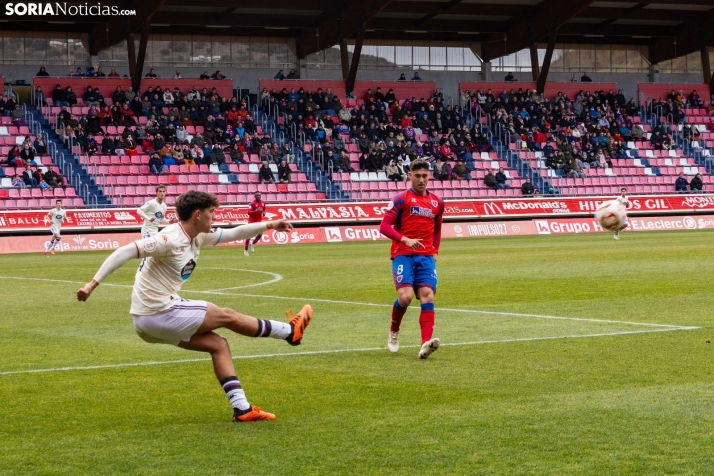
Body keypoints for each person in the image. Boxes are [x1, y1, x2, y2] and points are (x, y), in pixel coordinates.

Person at [76, 191, 312, 422]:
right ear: (198, 214)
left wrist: (270, 225)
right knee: (226, 315)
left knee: (218, 345)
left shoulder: (198, 235)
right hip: (158, 313)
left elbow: (235, 233)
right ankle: (289, 332)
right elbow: (126, 251)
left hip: (148, 320)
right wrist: (92, 284)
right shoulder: (169, 239)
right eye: (212, 212)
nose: (215, 217)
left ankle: (242, 409)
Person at [378, 158, 443, 359]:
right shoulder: (401, 199)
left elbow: (437, 230)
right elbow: (384, 227)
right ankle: (394, 331)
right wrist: (404, 239)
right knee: (405, 298)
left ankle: (425, 343)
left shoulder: (437, 203)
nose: (421, 180)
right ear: (410, 176)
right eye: (417, 176)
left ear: (429, 175)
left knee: (427, 296)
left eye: (425, 176)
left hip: (425, 257)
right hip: (403, 254)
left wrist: (435, 251)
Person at [244, 191, 266, 257]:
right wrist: (255, 211)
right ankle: (246, 251)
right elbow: (249, 212)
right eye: (257, 195)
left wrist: (264, 213)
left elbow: (264, 209)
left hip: (258, 221)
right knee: (248, 237)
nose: (258, 196)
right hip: (251, 222)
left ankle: (252, 244)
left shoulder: (263, 203)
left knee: (260, 234)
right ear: (254, 196)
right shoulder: (252, 204)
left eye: (259, 195)